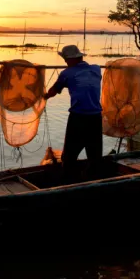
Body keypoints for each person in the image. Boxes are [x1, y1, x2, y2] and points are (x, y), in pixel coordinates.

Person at [44, 44, 103, 182]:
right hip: (96, 118)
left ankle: (68, 182)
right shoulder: (96, 69)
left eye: (65, 59)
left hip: (78, 118)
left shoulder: (67, 73)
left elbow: (52, 92)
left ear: (70, 59)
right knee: (95, 155)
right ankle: (94, 180)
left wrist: (44, 97)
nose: (65, 62)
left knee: (69, 156)